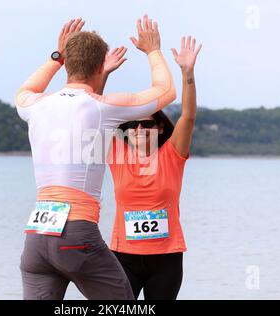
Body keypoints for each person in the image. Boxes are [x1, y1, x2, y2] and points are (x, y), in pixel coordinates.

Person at [15, 15, 176, 300]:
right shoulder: (102, 107)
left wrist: (56, 58)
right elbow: (166, 91)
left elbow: (25, 91)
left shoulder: (35, 105)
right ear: (101, 65)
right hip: (76, 235)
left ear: (67, 62)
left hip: (37, 238)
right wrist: (153, 51)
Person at [107, 36, 202, 300]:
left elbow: (189, 116)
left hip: (166, 259)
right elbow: (93, 114)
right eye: (132, 125)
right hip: (124, 257)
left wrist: (188, 73)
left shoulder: (172, 153)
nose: (138, 130)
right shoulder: (117, 154)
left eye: (146, 124)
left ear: (159, 127)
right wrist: (102, 74)